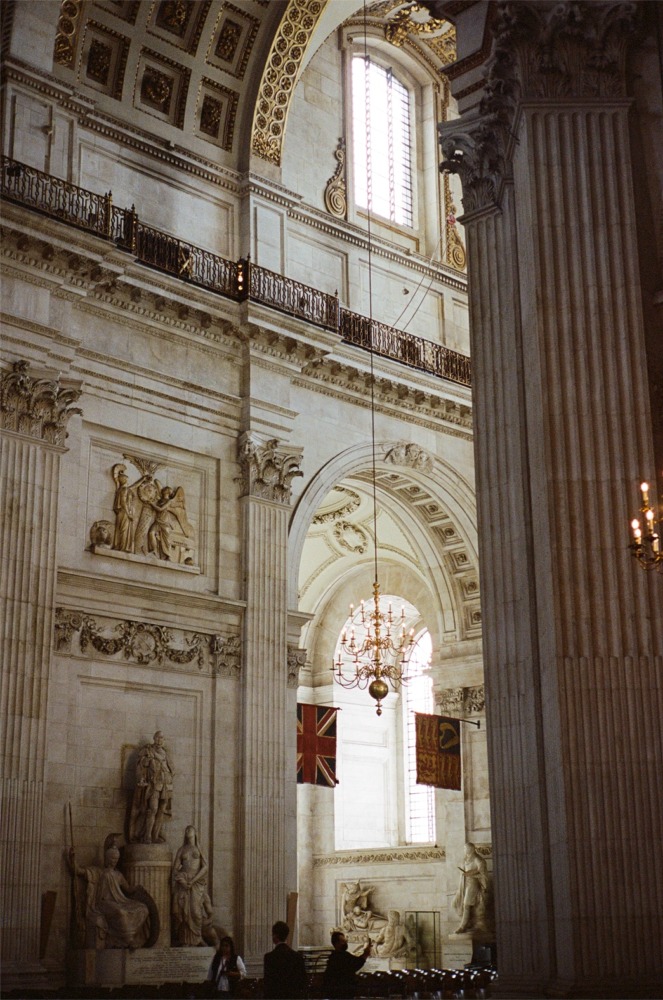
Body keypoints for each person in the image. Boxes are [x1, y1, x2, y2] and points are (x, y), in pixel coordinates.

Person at [67, 833, 156, 949]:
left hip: (120, 900)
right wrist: (72, 859)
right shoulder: (98, 872)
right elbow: (78, 871)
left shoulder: (118, 874)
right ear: (108, 858)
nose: (114, 861)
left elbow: (128, 888)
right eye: (112, 858)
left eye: (116, 859)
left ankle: (131, 937)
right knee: (121, 912)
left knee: (142, 908)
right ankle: (127, 940)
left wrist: (138, 888)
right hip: (103, 903)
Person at [172, 825, 216, 946]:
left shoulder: (199, 849)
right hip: (184, 883)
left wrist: (194, 880)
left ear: (195, 833)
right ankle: (185, 941)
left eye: (190, 829)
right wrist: (182, 880)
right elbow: (175, 869)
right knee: (183, 913)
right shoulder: (181, 849)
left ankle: (197, 939)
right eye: (186, 829)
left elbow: (205, 867)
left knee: (196, 912)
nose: (188, 831)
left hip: (196, 884)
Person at [129, 730, 174, 844]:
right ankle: (147, 835)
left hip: (166, 786)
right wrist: (147, 763)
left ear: (164, 740)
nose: (159, 740)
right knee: (152, 809)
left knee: (161, 810)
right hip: (153, 785)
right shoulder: (148, 751)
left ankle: (155, 835)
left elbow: (172, 769)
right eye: (158, 738)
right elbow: (139, 766)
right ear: (154, 739)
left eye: (162, 738)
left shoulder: (166, 753)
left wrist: (168, 774)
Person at [263, 920, 307, 999]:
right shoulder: (297, 956)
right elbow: (303, 982)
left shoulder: (269, 957)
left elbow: (268, 984)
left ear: (275, 936)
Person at [322, 930, 371, 1000]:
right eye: (343, 941)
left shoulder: (337, 955)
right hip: (341, 991)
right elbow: (355, 963)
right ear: (336, 943)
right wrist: (365, 954)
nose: (345, 942)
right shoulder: (340, 956)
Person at [453, 842, 488, 934]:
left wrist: (470, 873)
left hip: (473, 883)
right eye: (464, 849)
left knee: (466, 904)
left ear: (471, 849)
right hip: (465, 883)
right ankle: (468, 923)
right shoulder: (466, 859)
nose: (465, 850)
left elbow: (482, 872)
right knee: (457, 903)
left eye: (466, 848)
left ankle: (462, 926)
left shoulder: (478, 859)